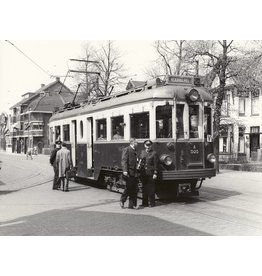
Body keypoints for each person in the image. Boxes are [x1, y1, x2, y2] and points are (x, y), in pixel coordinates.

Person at [139, 140, 159, 207]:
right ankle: (144, 203)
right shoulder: (142, 152)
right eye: (146, 145)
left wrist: (155, 173)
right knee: (144, 188)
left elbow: (156, 164)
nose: (148, 146)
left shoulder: (154, 153)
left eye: (149, 145)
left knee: (151, 189)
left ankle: (152, 203)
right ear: (144, 145)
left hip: (151, 173)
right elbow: (140, 161)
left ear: (151, 146)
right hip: (143, 173)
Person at [120, 138, 139, 209]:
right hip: (129, 172)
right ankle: (122, 200)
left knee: (134, 188)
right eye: (136, 142)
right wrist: (125, 170)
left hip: (135, 172)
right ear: (133, 143)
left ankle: (132, 204)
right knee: (128, 188)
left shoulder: (135, 150)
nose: (137, 143)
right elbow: (124, 160)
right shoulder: (127, 149)